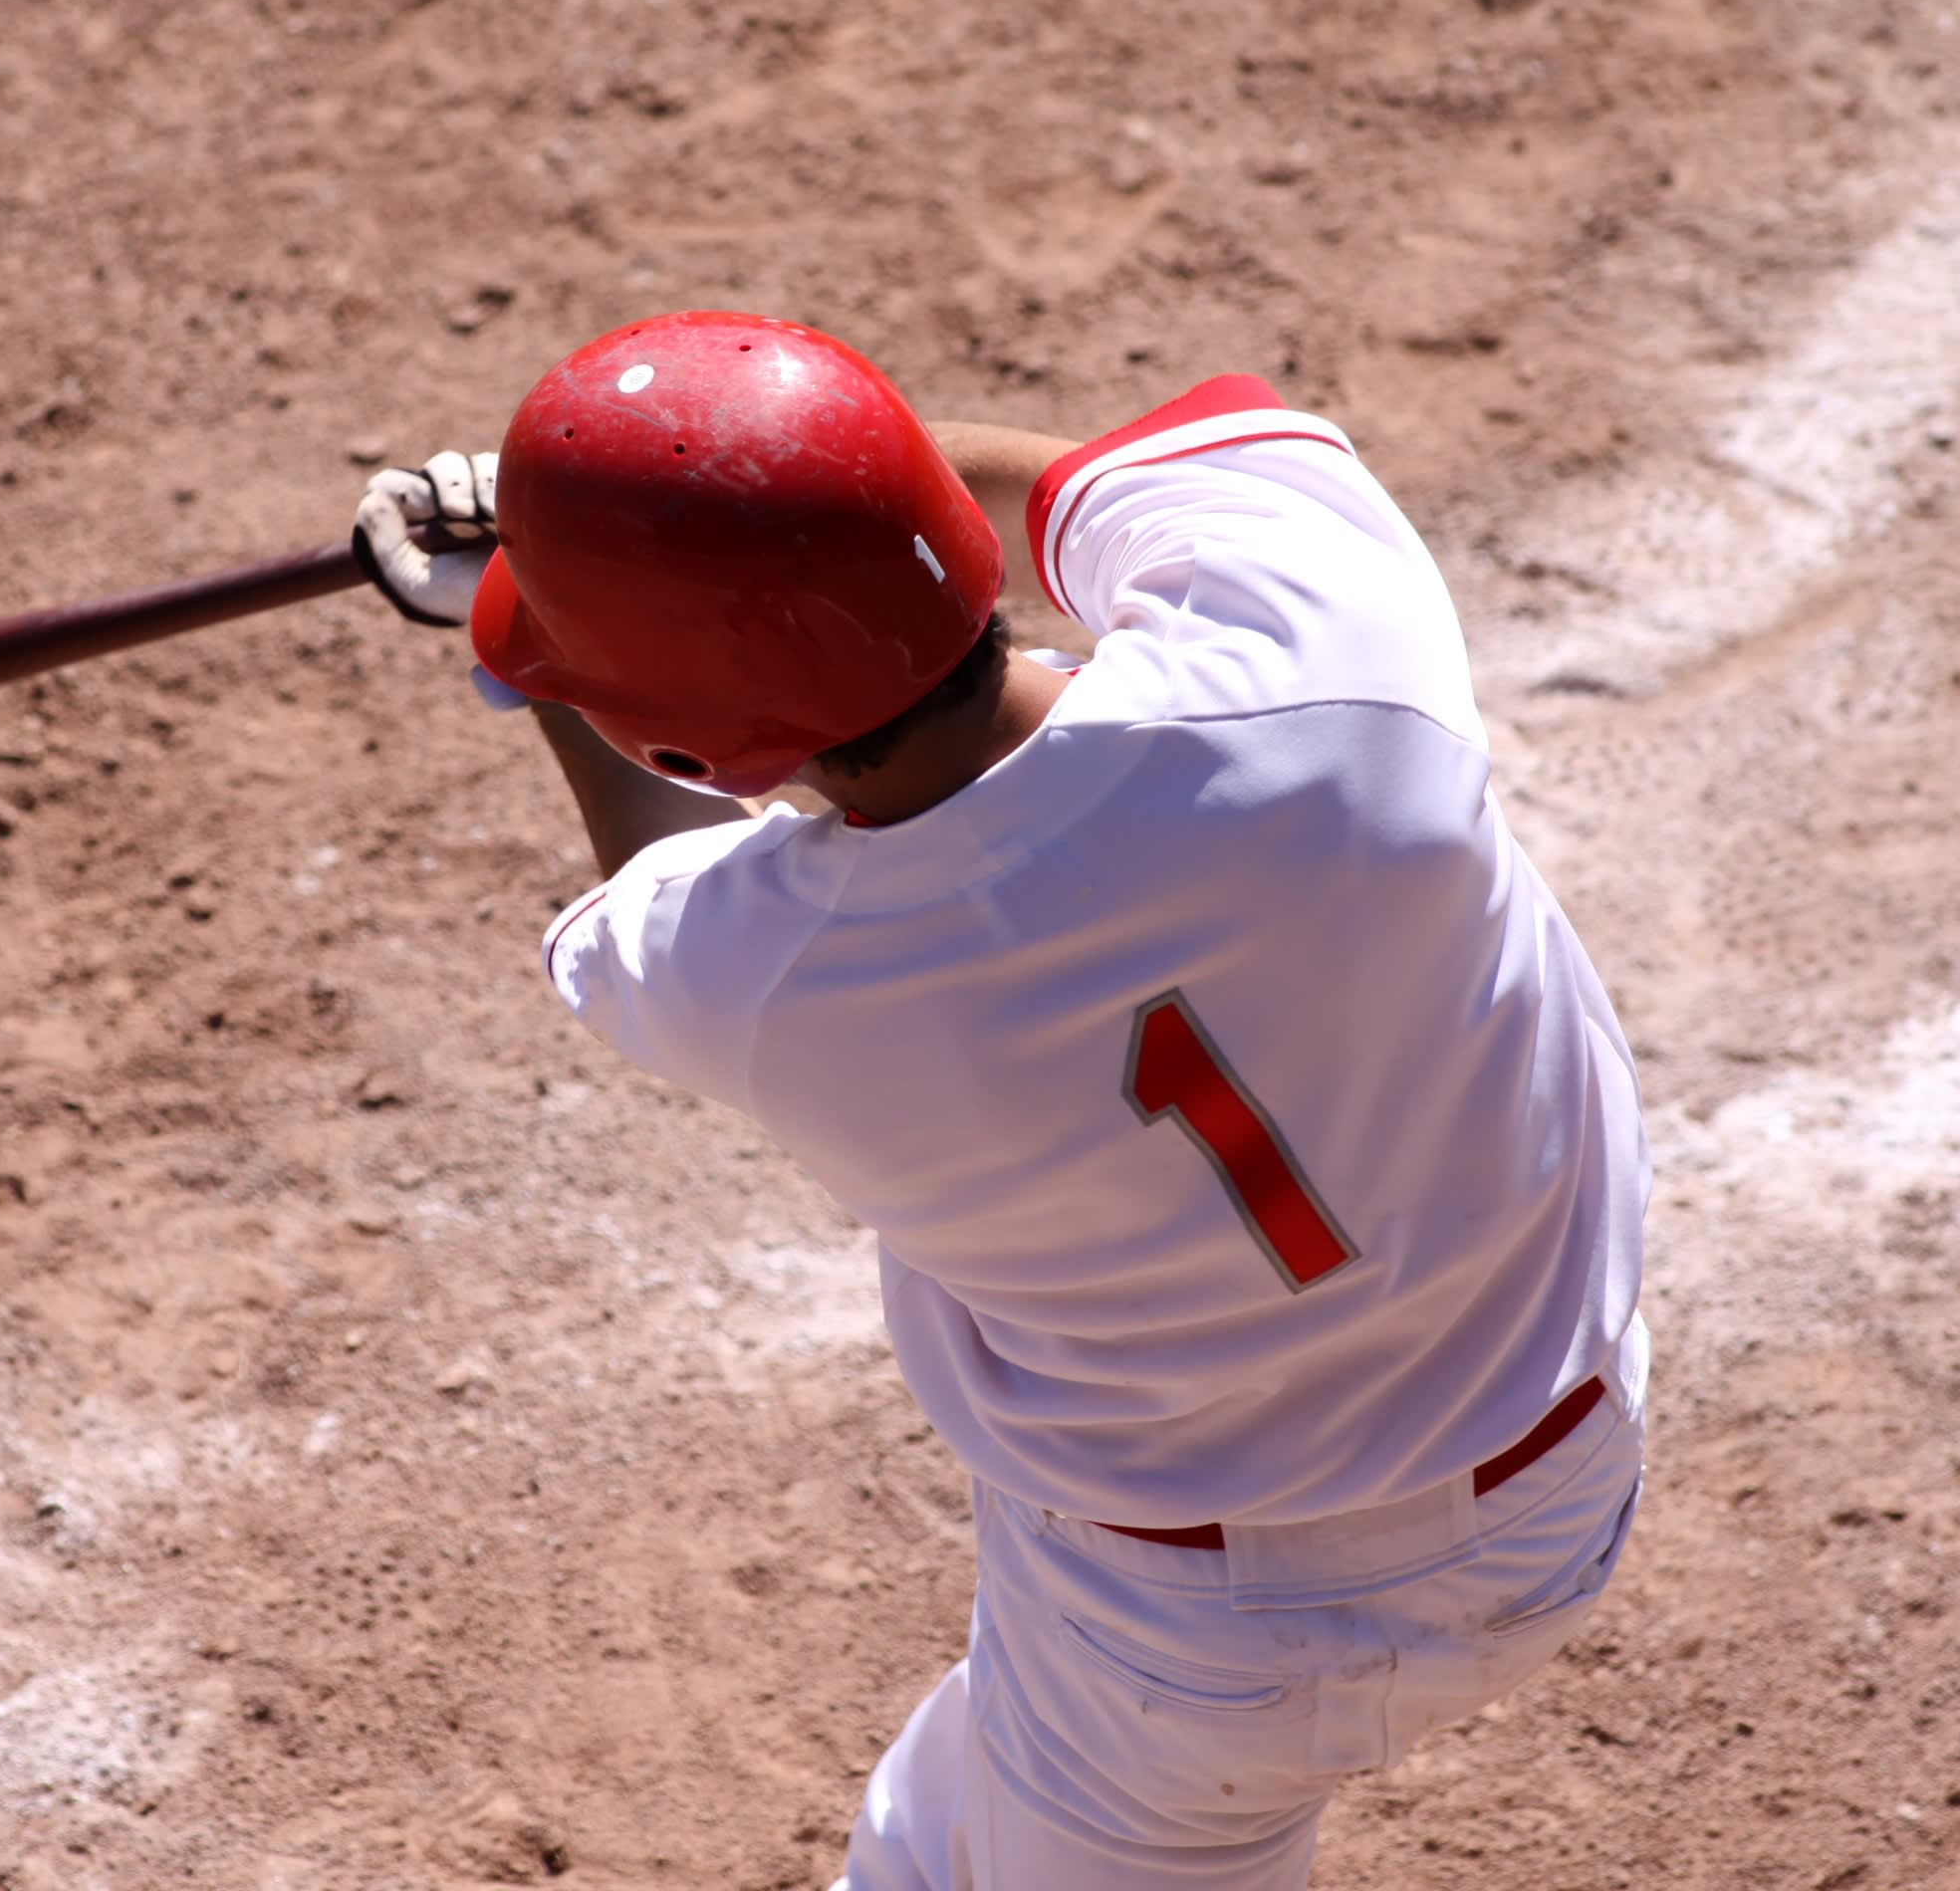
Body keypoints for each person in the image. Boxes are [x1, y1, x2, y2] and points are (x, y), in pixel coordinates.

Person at [353, 312, 1650, 1890]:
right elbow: (1093, 482)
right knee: (929, 1838)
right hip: (1561, 1474)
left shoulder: (752, 983)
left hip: (1180, 1657)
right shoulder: (1326, 666)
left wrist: (541, 623)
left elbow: (655, 842)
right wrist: (733, 496)